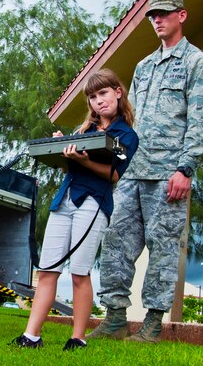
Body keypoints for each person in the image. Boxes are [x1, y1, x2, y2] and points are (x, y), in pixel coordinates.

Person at [90, 0, 203, 343]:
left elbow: (200, 122)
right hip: (133, 170)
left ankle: (153, 323)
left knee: (162, 246)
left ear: (181, 16)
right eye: (152, 15)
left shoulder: (196, 62)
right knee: (115, 240)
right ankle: (114, 317)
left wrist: (185, 169)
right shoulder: (143, 67)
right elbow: (130, 118)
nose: (157, 20)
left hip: (168, 173)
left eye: (164, 13)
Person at [14, 69, 138, 350]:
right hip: (65, 201)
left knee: (79, 272)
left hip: (93, 203)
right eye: (93, 97)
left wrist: (82, 161)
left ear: (118, 92)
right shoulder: (85, 132)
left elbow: (114, 175)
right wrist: (62, 144)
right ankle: (31, 336)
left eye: (103, 93)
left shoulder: (126, 135)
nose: (99, 102)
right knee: (47, 271)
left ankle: (77, 338)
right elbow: (67, 162)